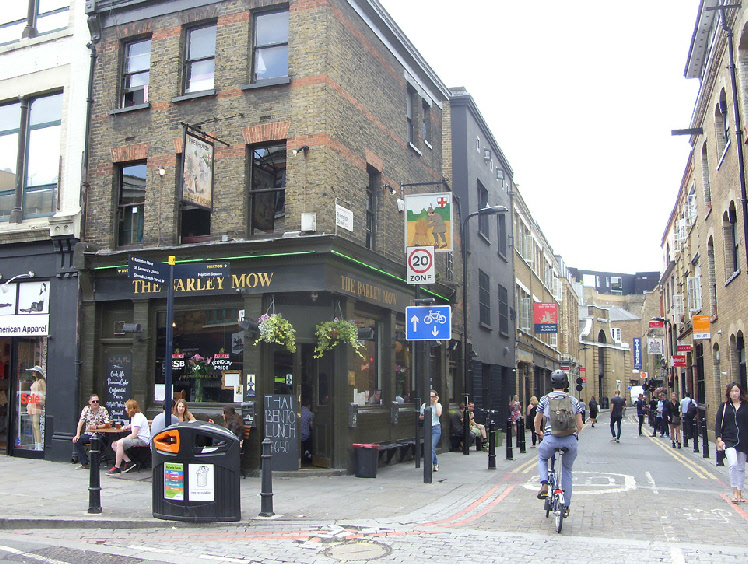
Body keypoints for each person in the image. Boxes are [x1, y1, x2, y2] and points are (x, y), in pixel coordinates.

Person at [535, 370, 583, 517]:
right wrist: (574, 435)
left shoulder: (544, 400)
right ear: (566, 384)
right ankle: (566, 506)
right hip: (570, 440)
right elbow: (580, 424)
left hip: (550, 438)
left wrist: (539, 433)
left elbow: (537, 421)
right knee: (567, 470)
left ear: (551, 383)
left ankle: (544, 483)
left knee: (542, 458)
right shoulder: (574, 401)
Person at [716, 382, 748, 503]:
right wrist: (719, 439)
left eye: (737, 391)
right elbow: (718, 423)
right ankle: (734, 491)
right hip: (729, 440)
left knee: (741, 468)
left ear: (740, 392)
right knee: (733, 464)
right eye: (732, 391)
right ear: (728, 393)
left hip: (743, 441)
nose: (734, 393)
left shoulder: (745, 406)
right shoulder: (724, 406)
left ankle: (740, 493)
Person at [108, 399, 150, 474]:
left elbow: (134, 434)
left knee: (119, 443)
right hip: (138, 438)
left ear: (130, 408)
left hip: (142, 440)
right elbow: (134, 425)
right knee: (114, 444)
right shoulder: (134, 416)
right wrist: (127, 427)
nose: (125, 409)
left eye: (126, 407)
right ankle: (128, 462)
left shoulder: (138, 417)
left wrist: (123, 439)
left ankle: (117, 467)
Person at [72, 394, 111, 470]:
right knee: (77, 441)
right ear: (89, 402)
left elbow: (107, 424)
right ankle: (85, 463)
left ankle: (96, 462)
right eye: (93, 401)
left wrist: (97, 427)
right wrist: (77, 434)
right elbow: (81, 422)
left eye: (97, 401)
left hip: (99, 434)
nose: (95, 403)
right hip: (89, 434)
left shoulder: (103, 410)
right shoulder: (86, 409)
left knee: (101, 441)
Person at [419, 390, 442, 471]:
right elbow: (420, 417)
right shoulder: (424, 405)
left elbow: (439, 414)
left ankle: (428, 465)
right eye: (430, 396)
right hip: (427, 428)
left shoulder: (438, 405)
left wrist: (435, 403)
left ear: (436, 397)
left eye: (433, 397)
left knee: (431, 446)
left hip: (436, 428)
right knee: (429, 447)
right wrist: (423, 415)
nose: (431, 398)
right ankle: (435, 464)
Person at [26, 366, 46, 450]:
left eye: (34, 371)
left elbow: (44, 393)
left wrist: (42, 399)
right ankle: (36, 444)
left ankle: (39, 445)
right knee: (34, 426)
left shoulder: (42, 381)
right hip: (32, 403)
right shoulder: (35, 382)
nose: (33, 373)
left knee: (36, 425)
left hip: (37, 404)